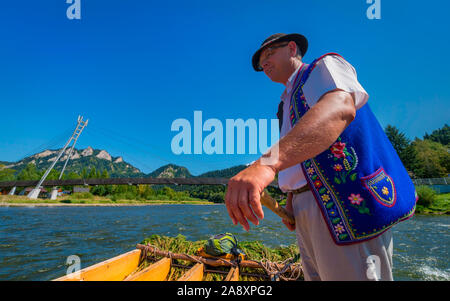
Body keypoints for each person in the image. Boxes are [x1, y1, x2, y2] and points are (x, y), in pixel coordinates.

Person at [225, 33, 417, 281]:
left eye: (269, 54)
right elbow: (303, 150)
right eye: (261, 62)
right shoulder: (285, 104)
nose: (264, 64)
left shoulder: (323, 67)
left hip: (345, 204)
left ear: (292, 48)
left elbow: (339, 108)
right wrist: (292, 199)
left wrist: (267, 164)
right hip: (306, 209)